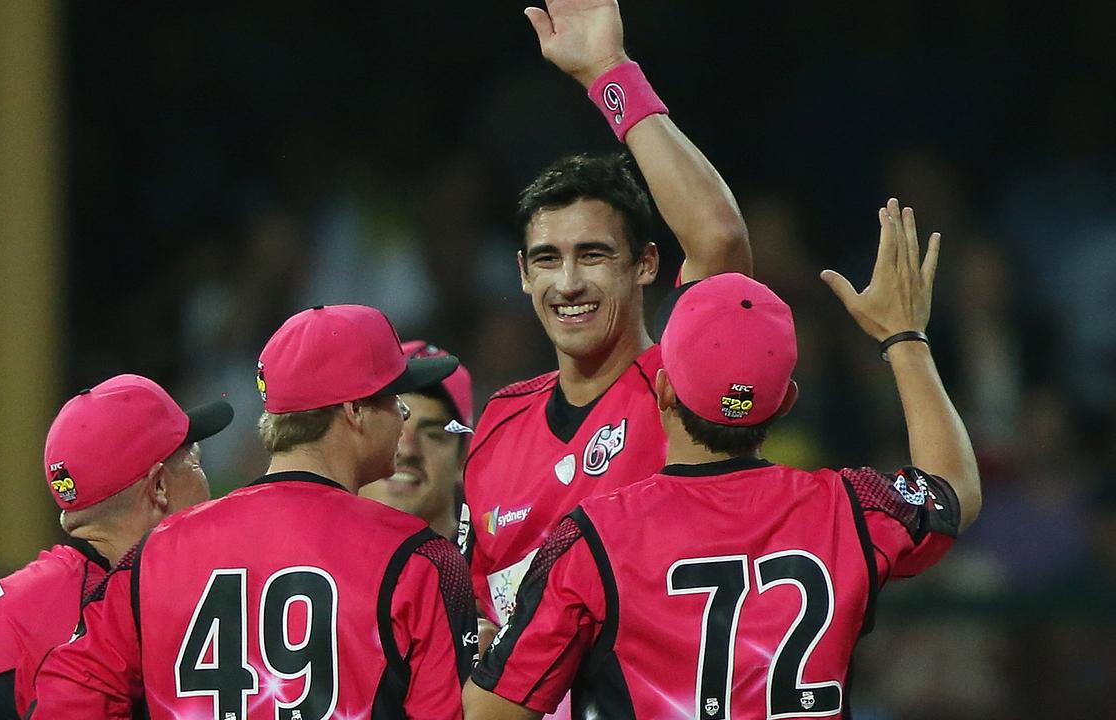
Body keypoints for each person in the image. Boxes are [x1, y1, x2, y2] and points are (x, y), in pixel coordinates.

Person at [462, 200, 983, 719]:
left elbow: (492, 712)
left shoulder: (591, 538)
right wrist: (906, 340)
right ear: (785, 402)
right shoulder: (848, 509)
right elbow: (955, 487)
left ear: (663, 390)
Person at [31, 305, 480, 719]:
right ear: (356, 410)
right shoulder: (421, 559)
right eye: (393, 398)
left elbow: (67, 697)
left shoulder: (156, 552)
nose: (402, 416)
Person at [463, 0, 751, 630]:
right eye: (547, 259)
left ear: (646, 264)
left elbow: (721, 243)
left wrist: (609, 72)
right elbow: (486, 607)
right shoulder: (496, 425)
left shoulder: (678, 388)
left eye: (592, 255)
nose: (567, 284)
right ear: (522, 273)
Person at [0, 374, 233, 720]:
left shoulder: (61, 592)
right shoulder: (91, 611)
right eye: (195, 463)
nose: (207, 484)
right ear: (159, 488)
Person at [361, 340, 474, 541]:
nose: (407, 449)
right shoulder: (304, 557)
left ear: (463, 459)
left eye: (432, 435)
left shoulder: (496, 568)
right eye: (392, 427)